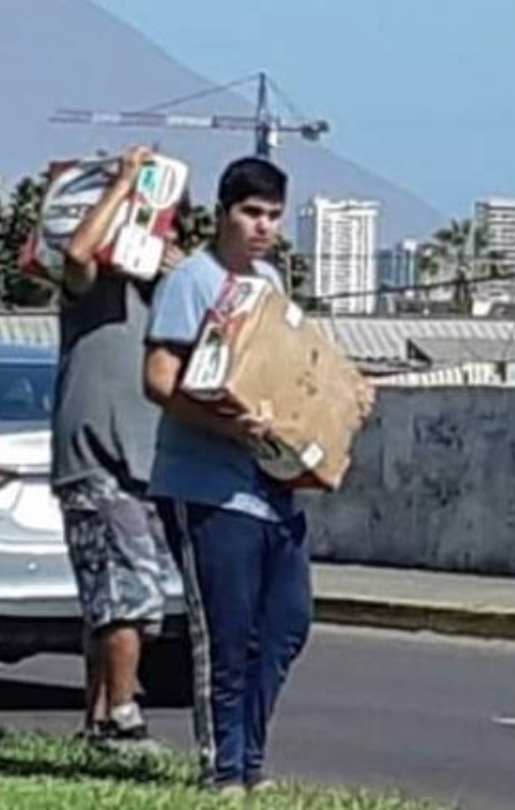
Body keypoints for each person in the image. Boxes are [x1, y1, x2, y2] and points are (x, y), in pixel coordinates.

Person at [143, 156, 332, 794]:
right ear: (225, 213)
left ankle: (251, 758)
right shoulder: (191, 283)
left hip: (272, 488)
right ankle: (223, 769)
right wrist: (230, 427)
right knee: (226, 634)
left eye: (274, 215)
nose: (263, 227)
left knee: (285, 624)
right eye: (252, 213)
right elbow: (160, 381)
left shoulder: (271, 283)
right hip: (206, 487)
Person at [51, 144, 175, 756]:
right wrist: (124, 183)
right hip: (97, 458)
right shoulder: (89, 289)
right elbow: (76, 252)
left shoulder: (163, 295)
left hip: (146, 461)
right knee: (127, 595)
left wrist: (172, 265)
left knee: (117, 599)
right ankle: (123, 717)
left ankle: (99, 715)